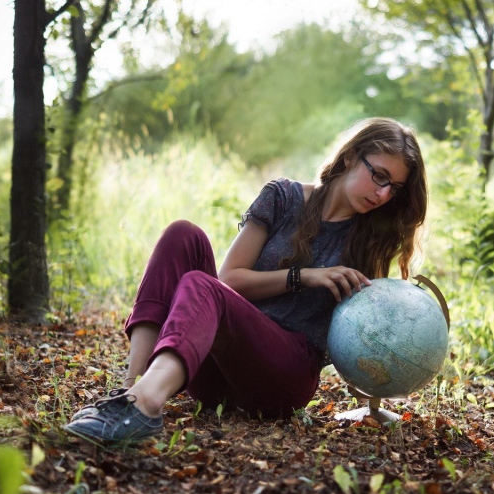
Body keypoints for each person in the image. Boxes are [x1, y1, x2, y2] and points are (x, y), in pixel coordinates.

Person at [64, 117, 428, 444]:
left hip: (281, 377)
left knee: (203, 286)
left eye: (393, 188)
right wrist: (305, 277)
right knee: (182, 235)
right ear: (350, 157)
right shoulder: (283, 198)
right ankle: (130, 392)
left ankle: (145, 404)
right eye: (379, 175)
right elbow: (230, 281)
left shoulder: (373, 239)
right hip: (213, 366)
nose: (383, 194)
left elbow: (370, 328)